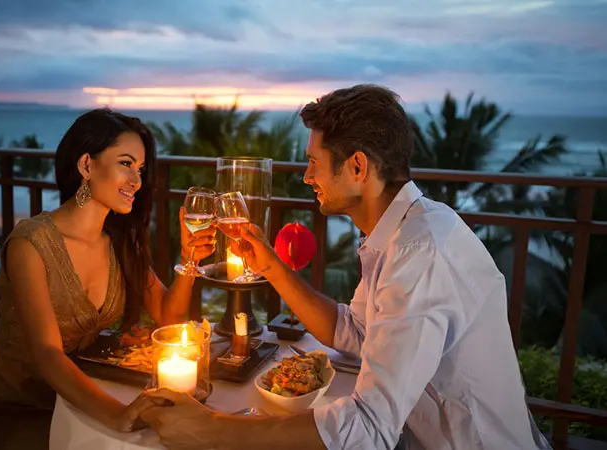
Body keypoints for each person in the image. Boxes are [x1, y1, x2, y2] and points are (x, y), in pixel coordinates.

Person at [138, 85, 551, 450]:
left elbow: (368, 428)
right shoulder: (400, 231)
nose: (305, 177)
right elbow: (356, 334)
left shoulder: (420, 254)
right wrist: (273, 267)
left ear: (357, 167)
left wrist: (212, 431)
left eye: (314, 163)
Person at [0, 108, 216, 449]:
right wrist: (117, 414)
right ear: (86, 165)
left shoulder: (118, 240)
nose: (137, 182)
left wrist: (189, 260)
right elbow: (48, 353)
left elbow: (169, 317)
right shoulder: (31, 244)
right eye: (125, 163)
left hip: (78, 396)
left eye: (140, 169)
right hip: (14, 407)